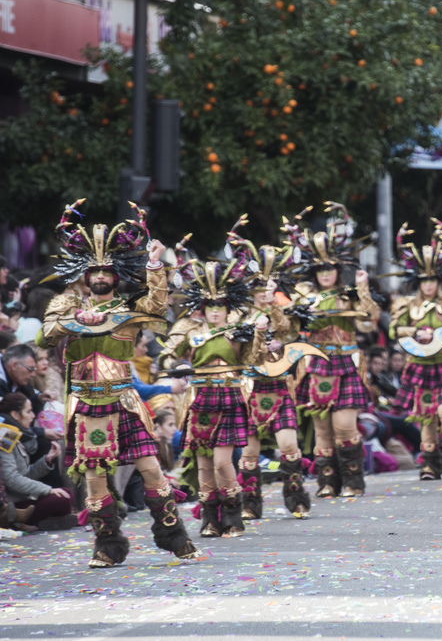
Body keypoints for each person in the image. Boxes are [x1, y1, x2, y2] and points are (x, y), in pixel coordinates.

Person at [42, 200, 198, 567]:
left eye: (106, 270)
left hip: (124, 401)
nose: (99, 275)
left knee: (151, 470)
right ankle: (107, 547)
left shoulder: (129, 309)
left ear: (116, 274)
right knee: (95, 481)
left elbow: (158, 306)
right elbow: (44, 338)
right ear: (84, 274)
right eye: (93, 269)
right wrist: (77, 319)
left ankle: (175, 537)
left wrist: (156, 264)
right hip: (84, 404)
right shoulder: (65, 305)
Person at [161, 255, 269, 538]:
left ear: (228, 306)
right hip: (199, 398)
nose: (216, 311)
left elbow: (254, 359)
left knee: (223, 462)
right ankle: (209, 519)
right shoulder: (188, 329)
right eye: (211, 306)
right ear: (203, 307)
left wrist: (259, 334)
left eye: (221, 305)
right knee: (204, 465)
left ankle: (233, 515)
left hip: (230, 395)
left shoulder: (239, 331)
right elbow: (165, 356)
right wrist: (177, 366)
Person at [285, 202, 379, 499]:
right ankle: (327, 482)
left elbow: (369, 322)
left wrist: (363, 288)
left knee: (343, 426)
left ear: (338, 270)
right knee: (322, 429)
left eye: (330, 268)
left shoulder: (349, 296)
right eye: (320, 268)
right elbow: (288, 328)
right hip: (315, 363)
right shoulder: (303, 294)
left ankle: (353, 482)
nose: (325, 273)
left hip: (346, 362)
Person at [227, 233, 311, 520]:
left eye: (268, 286)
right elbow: (236, 350)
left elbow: (289, 331)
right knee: (249, 454)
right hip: (250, 387)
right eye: (258, 286)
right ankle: (250, 504)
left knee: (289, 446)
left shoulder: (281, 309)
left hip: (278, 385)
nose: (263, 291)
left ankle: (297, 499)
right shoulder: (237, 316)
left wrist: (279, 334)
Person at [390, 220, 442, 479]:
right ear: (417, 281)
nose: (428, 285)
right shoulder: (406, 304)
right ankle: (429, 465)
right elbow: (394, 330)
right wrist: (414, 332)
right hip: (418, 366)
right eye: (423, 280)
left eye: (432, 280)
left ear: (439, 280)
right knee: (425, 418)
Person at [0, 393, 74, 530]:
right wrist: (47, 490)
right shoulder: (5, 436)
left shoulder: (14, 433)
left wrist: (47, 460)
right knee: (61, 499)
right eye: (28, 411)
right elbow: (11, 479)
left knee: (66, 493)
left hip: (22, 498)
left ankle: (48, 521)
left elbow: (24, 475)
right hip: (13, 504)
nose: (33, 416)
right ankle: (20, 521)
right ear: (15, 415)